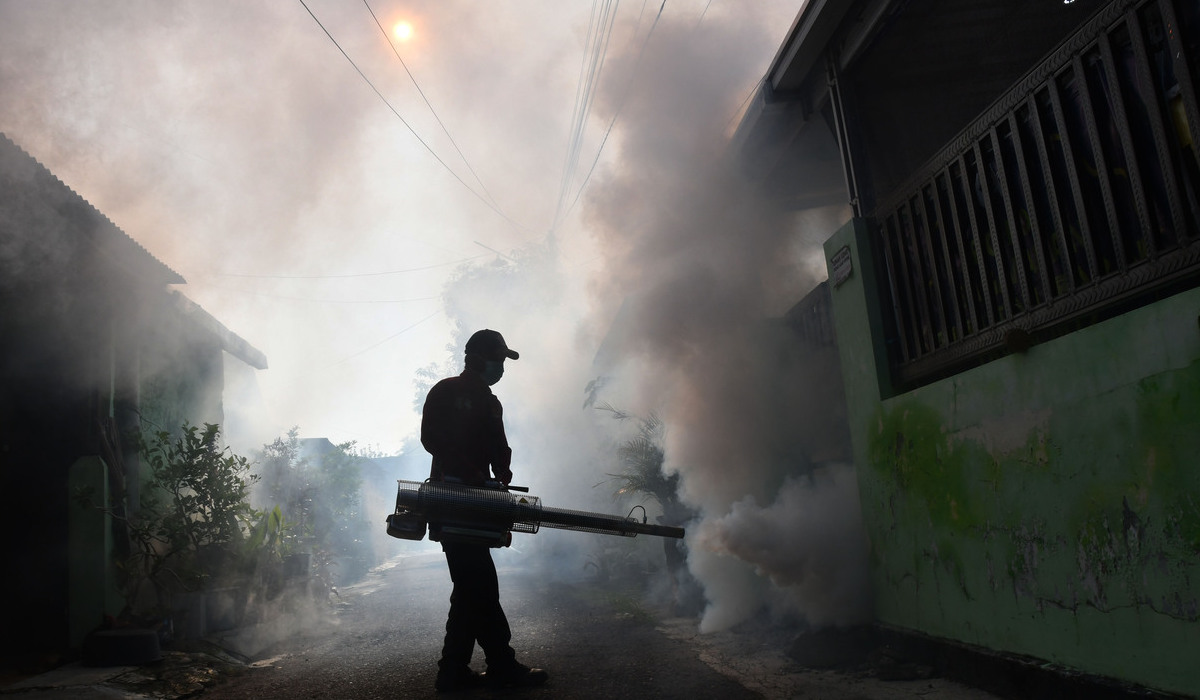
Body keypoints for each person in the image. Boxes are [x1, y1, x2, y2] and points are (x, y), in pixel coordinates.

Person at [420, 329, 550, 692]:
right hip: (452, 501)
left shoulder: (492, 403)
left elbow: (499, 446)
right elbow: (432, 438)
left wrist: (502, 471)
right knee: (480, 587)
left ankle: (453, 672)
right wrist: (470, 469)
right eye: (498, 360)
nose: (502, 368)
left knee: (469, 590)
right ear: (477, 359)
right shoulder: (445, 391)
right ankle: (502, 666)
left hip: (481, 503)